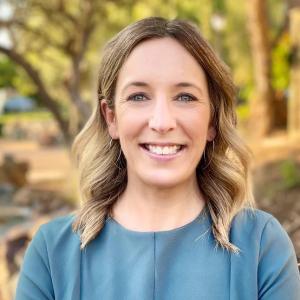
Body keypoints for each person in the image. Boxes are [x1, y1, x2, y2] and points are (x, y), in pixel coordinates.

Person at [15, 17, 300, 300]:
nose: (162, 122)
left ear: (212, 120)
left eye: (185, 97)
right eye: (139, 96)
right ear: (111, 117)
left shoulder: (262, 246)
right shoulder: (51, 254)